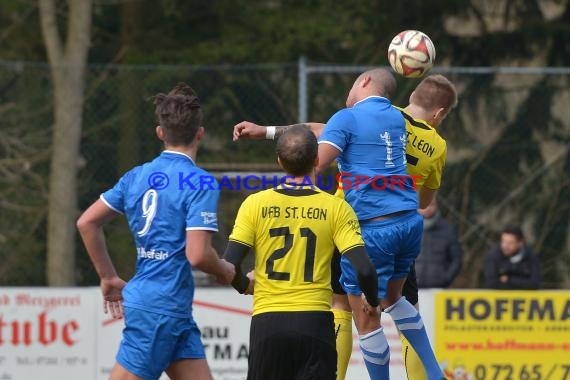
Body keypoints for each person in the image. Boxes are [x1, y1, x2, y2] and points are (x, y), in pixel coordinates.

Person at [233, 73, 457, 380]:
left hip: (363, 228)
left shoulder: (352, 118)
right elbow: (425, 199)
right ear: (440, 113)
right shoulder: (412, 129)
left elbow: (316, 149)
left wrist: (280, 147)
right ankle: (433, 373)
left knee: (355, 311)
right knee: (400, 301)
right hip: (407, 221)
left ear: (364, 81)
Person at [77, 83, 235, 380]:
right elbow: (198, 254)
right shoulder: (199, 182)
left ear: (160, 133)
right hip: (160, 308)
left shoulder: (135, 176)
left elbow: (87, 222)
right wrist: (226, 270)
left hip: (172, 309)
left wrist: (108, 276)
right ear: (200, 134)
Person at [223, 125, 380, 380]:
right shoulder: (336, 208)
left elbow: (228, 265)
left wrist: (245, 285)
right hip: (314, 323)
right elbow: (364, 268)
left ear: (279, 161)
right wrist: (372, 301)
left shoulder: (254, 204)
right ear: (318, 160)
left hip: (267, 324)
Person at [414, 197, 462, 288]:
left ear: (437, 206)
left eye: (431, 204)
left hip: (438, 288)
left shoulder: (448, 229)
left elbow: (456, 259)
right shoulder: (407, 228)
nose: (427, 208)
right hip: (413, 288)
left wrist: (446, 279)